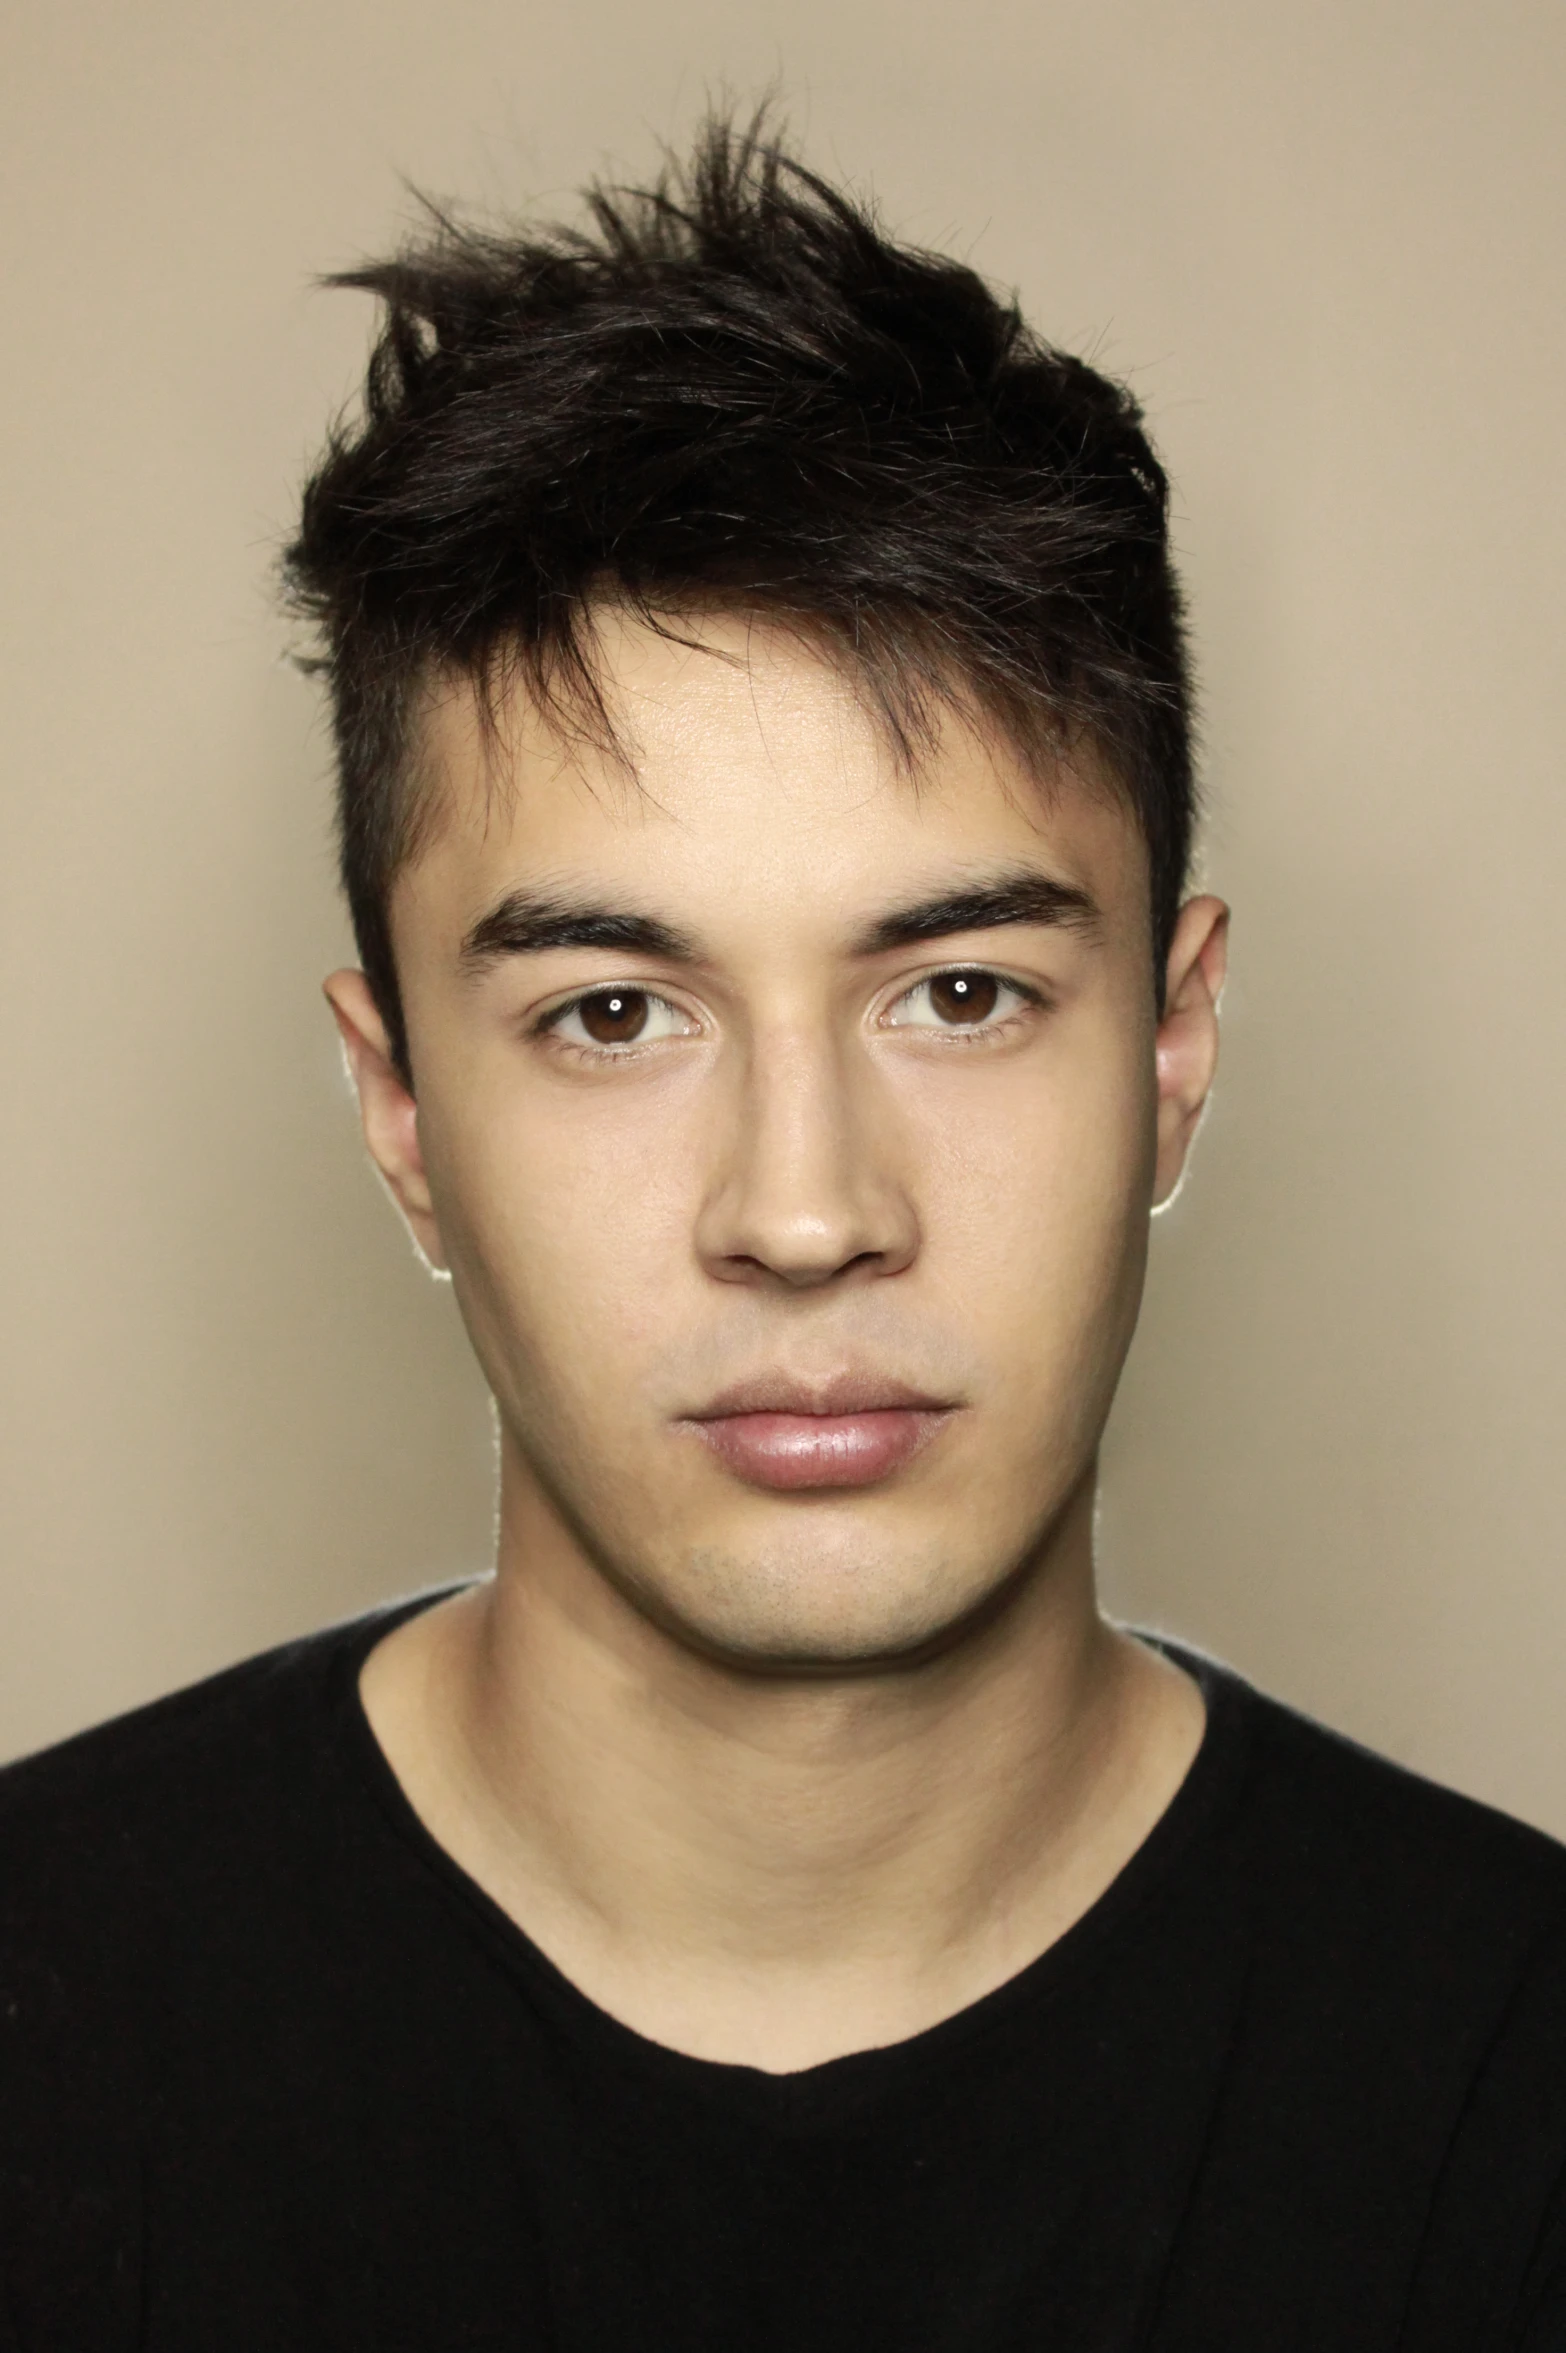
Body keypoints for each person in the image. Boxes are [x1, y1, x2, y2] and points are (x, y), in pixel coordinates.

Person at [2, 117, 1563, 2352]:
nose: (807, 1212)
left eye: (961, 993)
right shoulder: (45, 2032)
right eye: (614, 1014)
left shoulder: (1508, 2099)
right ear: (402, 1110)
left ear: (1173, 1046)